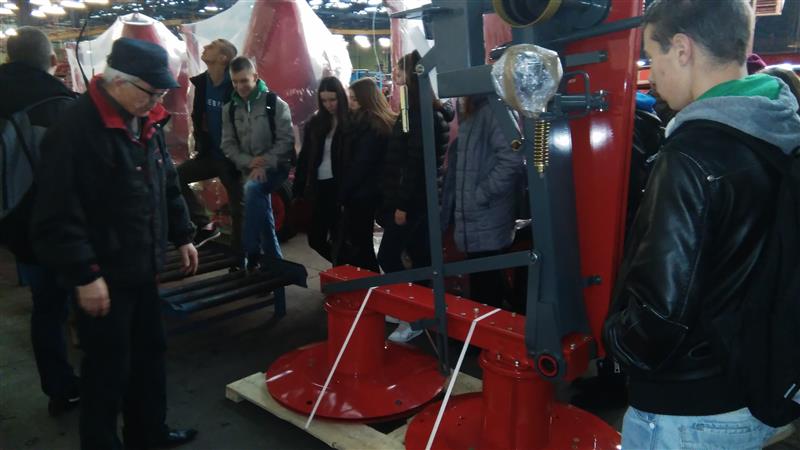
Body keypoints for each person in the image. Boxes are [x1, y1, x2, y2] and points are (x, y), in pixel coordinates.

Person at [602, 1, 800, 449]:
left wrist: (615, 338)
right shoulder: (780, 130)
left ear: (682, 49)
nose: (653, 75)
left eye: (652, 56)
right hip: (757, 387)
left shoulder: (690, 156)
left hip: (687, 411)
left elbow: (660, 314)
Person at [31, 38, 199, 449]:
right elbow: (57, 212)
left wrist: (182, 235)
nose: (157, 101)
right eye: (151, 92)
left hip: (142, 265)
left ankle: (148, 434)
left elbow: (166, 182)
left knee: (149, 356)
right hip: (103, 275)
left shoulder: (146, 119)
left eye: (161, 93)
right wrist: (85, 274)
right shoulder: (75, 130)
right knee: (107, 370)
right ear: (118, 81)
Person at [0, 27, 80, 417]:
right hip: (59, 228)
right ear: (51, 59)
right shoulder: (57, 103)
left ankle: (59, 390)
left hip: (15, 226)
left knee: (45, 309)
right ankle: (97, 385)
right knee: (83, 303)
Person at [379, 50, 454, 342]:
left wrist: (402, 204)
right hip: (421, 199)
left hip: (415, 201)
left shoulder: (422, 115)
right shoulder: (418, 111)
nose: (395, 76)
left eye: (399, 71)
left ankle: (413, 315)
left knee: (390, 255)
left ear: (411, 76)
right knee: (421, 257)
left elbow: (414, 165)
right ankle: (416, 311)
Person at [440, 95, 523, 309]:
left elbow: (513, 159)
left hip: (487, 214)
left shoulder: (494, 110)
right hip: (478, 215)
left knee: (486, 286)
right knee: (484, 281)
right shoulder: (474, 112)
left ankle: (488, 327)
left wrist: (481, 194)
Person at [221, 56, 295, 271]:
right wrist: (250, 162)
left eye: (244, 80)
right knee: (262, 214)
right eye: (235, 82)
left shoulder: (275, 104)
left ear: (255, 77)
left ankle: (251, 251)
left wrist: (265, 163)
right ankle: (275, 266)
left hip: (276, 167)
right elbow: (228, 144)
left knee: (253, 190)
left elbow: (286, 140)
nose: (239, 86)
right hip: (249, 169)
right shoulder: (230, 109)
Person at [177, 39, 239, 249]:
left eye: (211, 46)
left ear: (223, 58)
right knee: (175, 177)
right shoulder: (203, 83)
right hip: (211, 155)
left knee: (240, 209)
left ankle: (243, 257)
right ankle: (205, 225)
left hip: (233, 159)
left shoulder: (236, 85)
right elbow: (198, 117)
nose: (204, 48)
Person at [336, 77, 395, 271]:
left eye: (354, 99)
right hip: (372, 190)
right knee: (362, 243)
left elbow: (361, 164)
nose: (350, 103)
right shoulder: (381, 122)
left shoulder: (369, 125)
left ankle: (368, 281)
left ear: (365, 99)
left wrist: (343, 193)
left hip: (363, 193)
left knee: (361, 244)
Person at [294, 76, 349, 263]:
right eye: (324, 100)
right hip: (319, 186)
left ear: (340, 97)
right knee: (316, 239)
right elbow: (305, 158)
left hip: (341, 186)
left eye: (332, 99)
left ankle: (342, 269)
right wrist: (298, 188)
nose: (328, 104)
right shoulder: (315, 123)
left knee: (339, 237)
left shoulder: (350, 122)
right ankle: (342, 265)